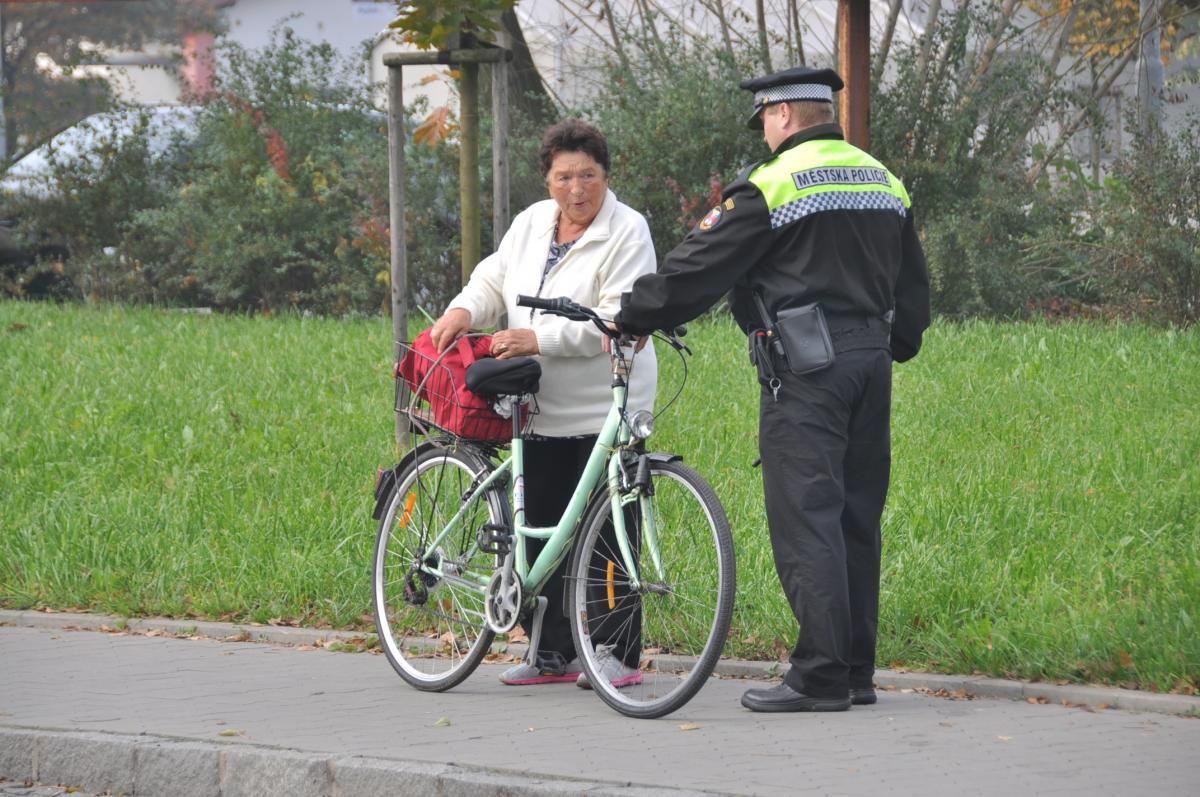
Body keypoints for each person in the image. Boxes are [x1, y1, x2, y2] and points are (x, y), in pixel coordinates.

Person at [615, 66, 930, 712]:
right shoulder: (882, 178)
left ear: (784, 114)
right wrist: (896, 342)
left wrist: (635, 315)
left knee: (808, 514)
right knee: (855, 519)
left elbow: (699, 265)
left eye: (764, 117)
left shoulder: (772, 184)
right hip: (871, 362)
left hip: (806, 366)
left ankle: (818, 674)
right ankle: (854, 672)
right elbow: (913, 287)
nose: (763, 129)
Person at [430, 118, 657, 689]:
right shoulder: (532, 222)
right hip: (533, 400)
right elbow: (492, 279)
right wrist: (463, 310)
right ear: (547, 179)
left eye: (588, 176)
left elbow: (617, 320)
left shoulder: (628, 230)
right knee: (541, 521)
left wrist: (538, 338)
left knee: (608, 527)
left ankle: (618, 653)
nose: (576, 189)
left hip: (605, 401)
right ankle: (550, 652)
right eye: (563, 177)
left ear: (606, 176)